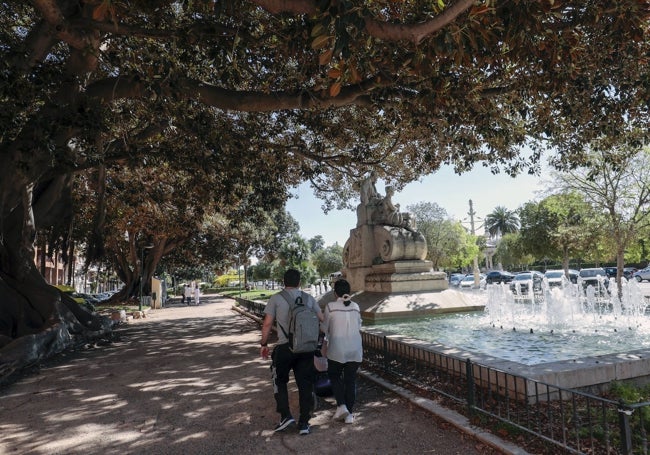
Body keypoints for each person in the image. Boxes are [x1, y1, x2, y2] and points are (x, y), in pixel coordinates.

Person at [260, 269, 324, 435]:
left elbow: (267, 323)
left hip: (285, 347)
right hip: (306, 348)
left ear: (283, 281)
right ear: (299, 282)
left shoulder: (276, 298)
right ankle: (304, 423)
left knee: (279, 380)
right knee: (305, 384)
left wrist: (264, 343)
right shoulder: (309, 298)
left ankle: (286, 416)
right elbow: (321, 318)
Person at [322, 278, 362, 424]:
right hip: (355, 349)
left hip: (337, 349)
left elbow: (325, 328)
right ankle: (349, 414)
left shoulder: (330, 307)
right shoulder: (356, 306)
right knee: (350, 381)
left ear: (335, 293)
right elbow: (358, 326)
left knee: (334, 376)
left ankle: (341, 405)